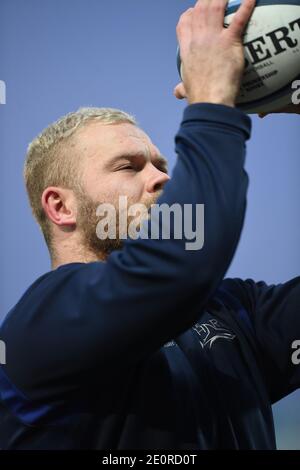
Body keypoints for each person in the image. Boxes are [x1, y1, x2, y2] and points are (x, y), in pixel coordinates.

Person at [0, 0, 299, 450]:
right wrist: (214, 101)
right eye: (128, 167)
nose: (161, 177)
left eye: (161, 164)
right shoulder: (43, 324)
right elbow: (182, 265)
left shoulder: (233, 312)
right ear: (61, 207)